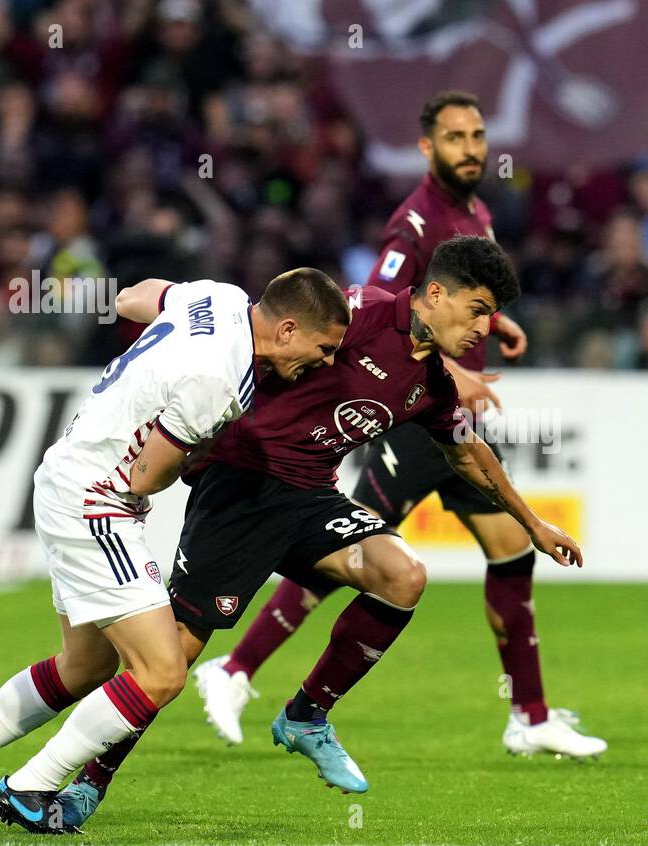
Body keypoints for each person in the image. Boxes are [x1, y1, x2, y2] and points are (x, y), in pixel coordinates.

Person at [55, 236, 584, 829]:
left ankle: (307, 714)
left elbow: (468, 455)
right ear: (436, 293)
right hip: (242, 486)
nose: (483, 329)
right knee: (172, 657)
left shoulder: (431, 383)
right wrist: (163, 317)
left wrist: (533, 522)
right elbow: (269, 320)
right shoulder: (358, 312)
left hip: (310, 497)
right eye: (478, 309)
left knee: (402, 575)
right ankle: (86, 783)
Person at [195, 89, 607, 758]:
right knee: (347, 554)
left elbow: (462, 295)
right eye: (455, 138)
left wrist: (495, 323)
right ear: (427, 147)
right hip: (410, 417)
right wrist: (460, 371)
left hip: (448, 415)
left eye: (477, 136)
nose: (470, 149)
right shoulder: (413, 222)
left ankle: (529, 716)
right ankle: (236, 668)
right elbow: (381, 302)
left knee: (511, 549)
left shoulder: (474, 213)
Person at [0, 269, 350, 832]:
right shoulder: (223, 380)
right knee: (162, 672)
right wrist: (196, 455)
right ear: (287, 329)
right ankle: (30, 787)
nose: (327, 362)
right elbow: (147, 475)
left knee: (86, 664)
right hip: (97, 502)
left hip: (64, 473)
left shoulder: (219, 298)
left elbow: (132, 298)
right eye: (324, 347)